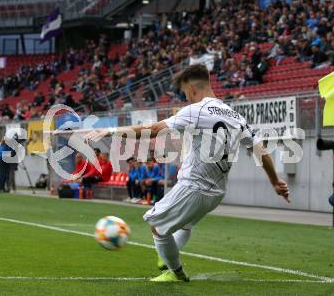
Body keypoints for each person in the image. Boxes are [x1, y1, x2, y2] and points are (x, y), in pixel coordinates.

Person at [84, 64, 289, 282]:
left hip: (194, 186)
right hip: (217, 192)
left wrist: (111, 131)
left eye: (185, 93)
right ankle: (167, 259)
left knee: (157, 226)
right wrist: (275, 181)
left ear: (192, 89)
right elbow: (261, 150)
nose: (186, 98)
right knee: (184, 224)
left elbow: (153, 131)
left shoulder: (196, 110)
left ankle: (175, 272)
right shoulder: (235, 116)